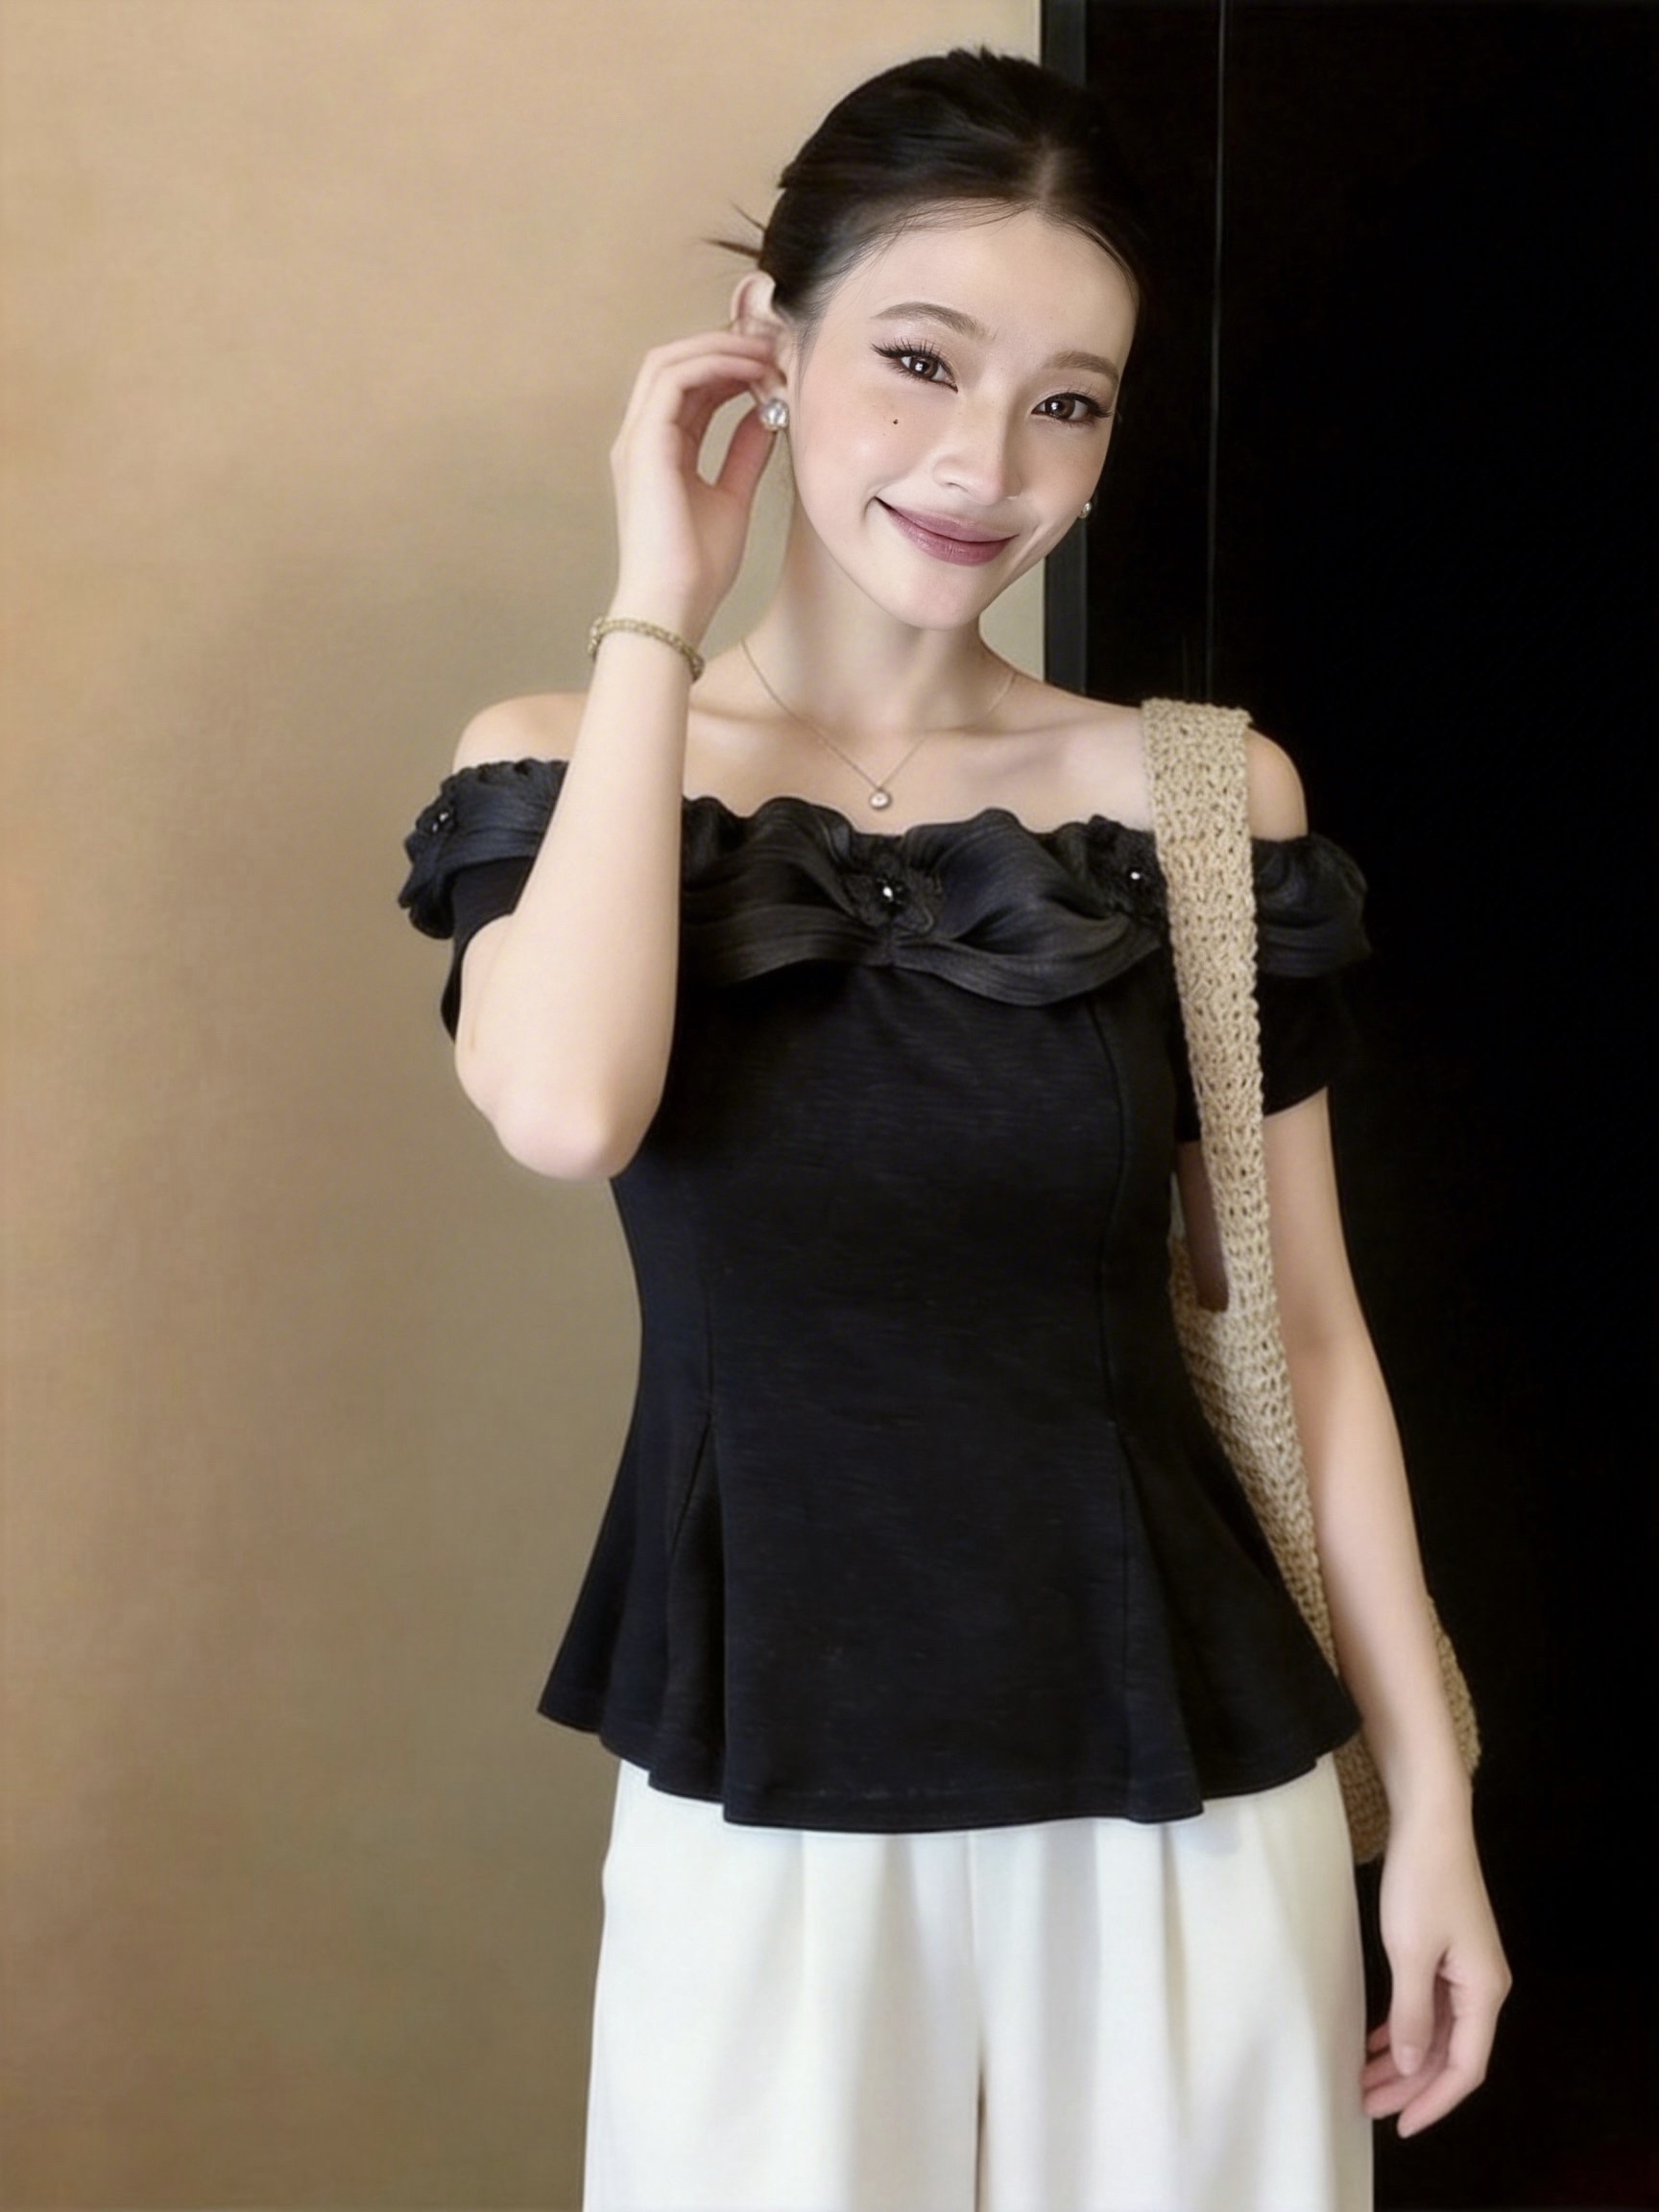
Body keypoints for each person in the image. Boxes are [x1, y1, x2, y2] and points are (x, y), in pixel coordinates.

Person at [397, 46, 1511, 2212]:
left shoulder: (1201, 796)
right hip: (763, 1786)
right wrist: (660, 601)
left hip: (1190, 1795)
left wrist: (1440, 1808)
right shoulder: (567, 762)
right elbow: (564, 1104)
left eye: (1067, 401)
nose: (985, 463)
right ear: (771, 342)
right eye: (919, 360)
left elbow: (1303, 1335)